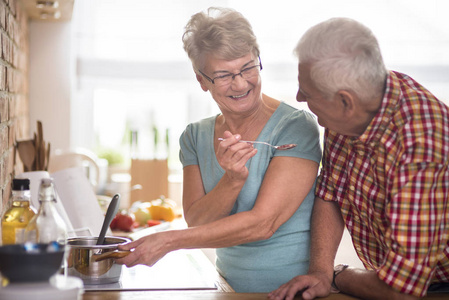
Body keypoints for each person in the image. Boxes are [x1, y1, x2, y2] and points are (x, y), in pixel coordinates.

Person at [117, 7, 322, 292]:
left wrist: (168, 241)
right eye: (224, 75)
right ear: (201, 80)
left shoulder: (295, 126)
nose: (240, 83)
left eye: (248, 67)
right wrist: (232, 180)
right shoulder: (194, 137)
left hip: (291, 291)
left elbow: (264, 224)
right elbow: (198, 221)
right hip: (226, 288)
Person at [268, 17, 449, 300]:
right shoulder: (355, 105)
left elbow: (400, 292)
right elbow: (330, 191)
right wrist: (320, 271)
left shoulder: (422, 144)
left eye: (308, 92)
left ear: (345, 101)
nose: (299, 96)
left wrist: (338, 275)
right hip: (388, 279)